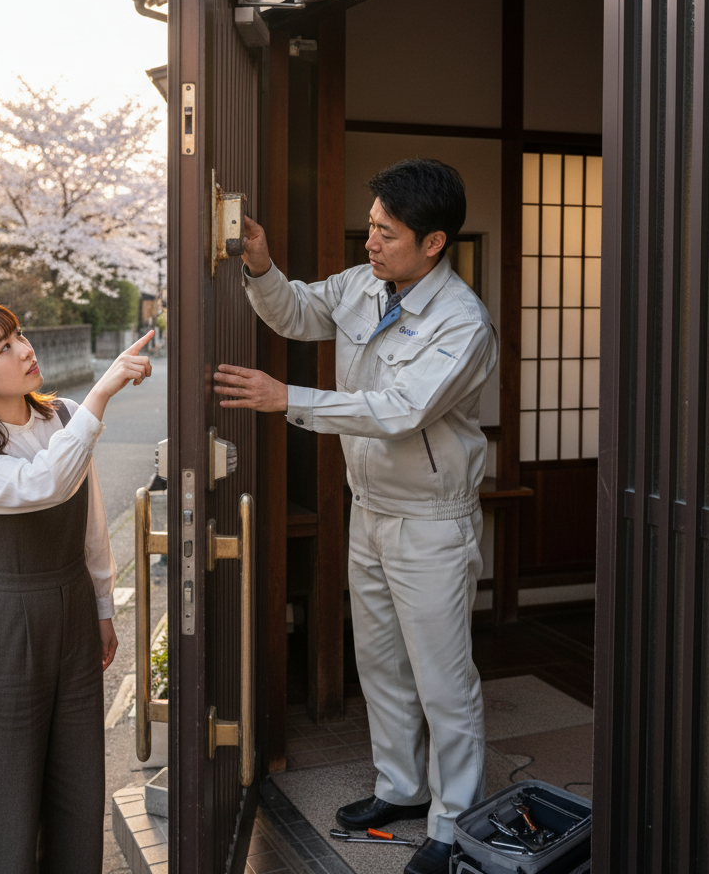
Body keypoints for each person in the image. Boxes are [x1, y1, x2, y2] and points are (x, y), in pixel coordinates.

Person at [213, 158, 498, 874]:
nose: (369, 243)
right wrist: (260, 265)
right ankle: (401, 788)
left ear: (433, 243)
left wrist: (291, 400)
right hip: (367, 509)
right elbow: (299, 310)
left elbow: (401, 412)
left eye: (385, 232)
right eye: (370, 226)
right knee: (379, 661)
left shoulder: (464, 325)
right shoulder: (366, 284)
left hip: (431, 519)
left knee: (443, 676)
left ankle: (454, 819)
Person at [0, 300, 154, 874]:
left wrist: (102, 606)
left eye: (18, 335)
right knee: (2, 793)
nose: (25, 349)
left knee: (76, 786)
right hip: (3, 621)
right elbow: (41, 486)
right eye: (3, 348)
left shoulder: (61, 415)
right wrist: (99, 397)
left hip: (72, 606)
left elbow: (92, 522)